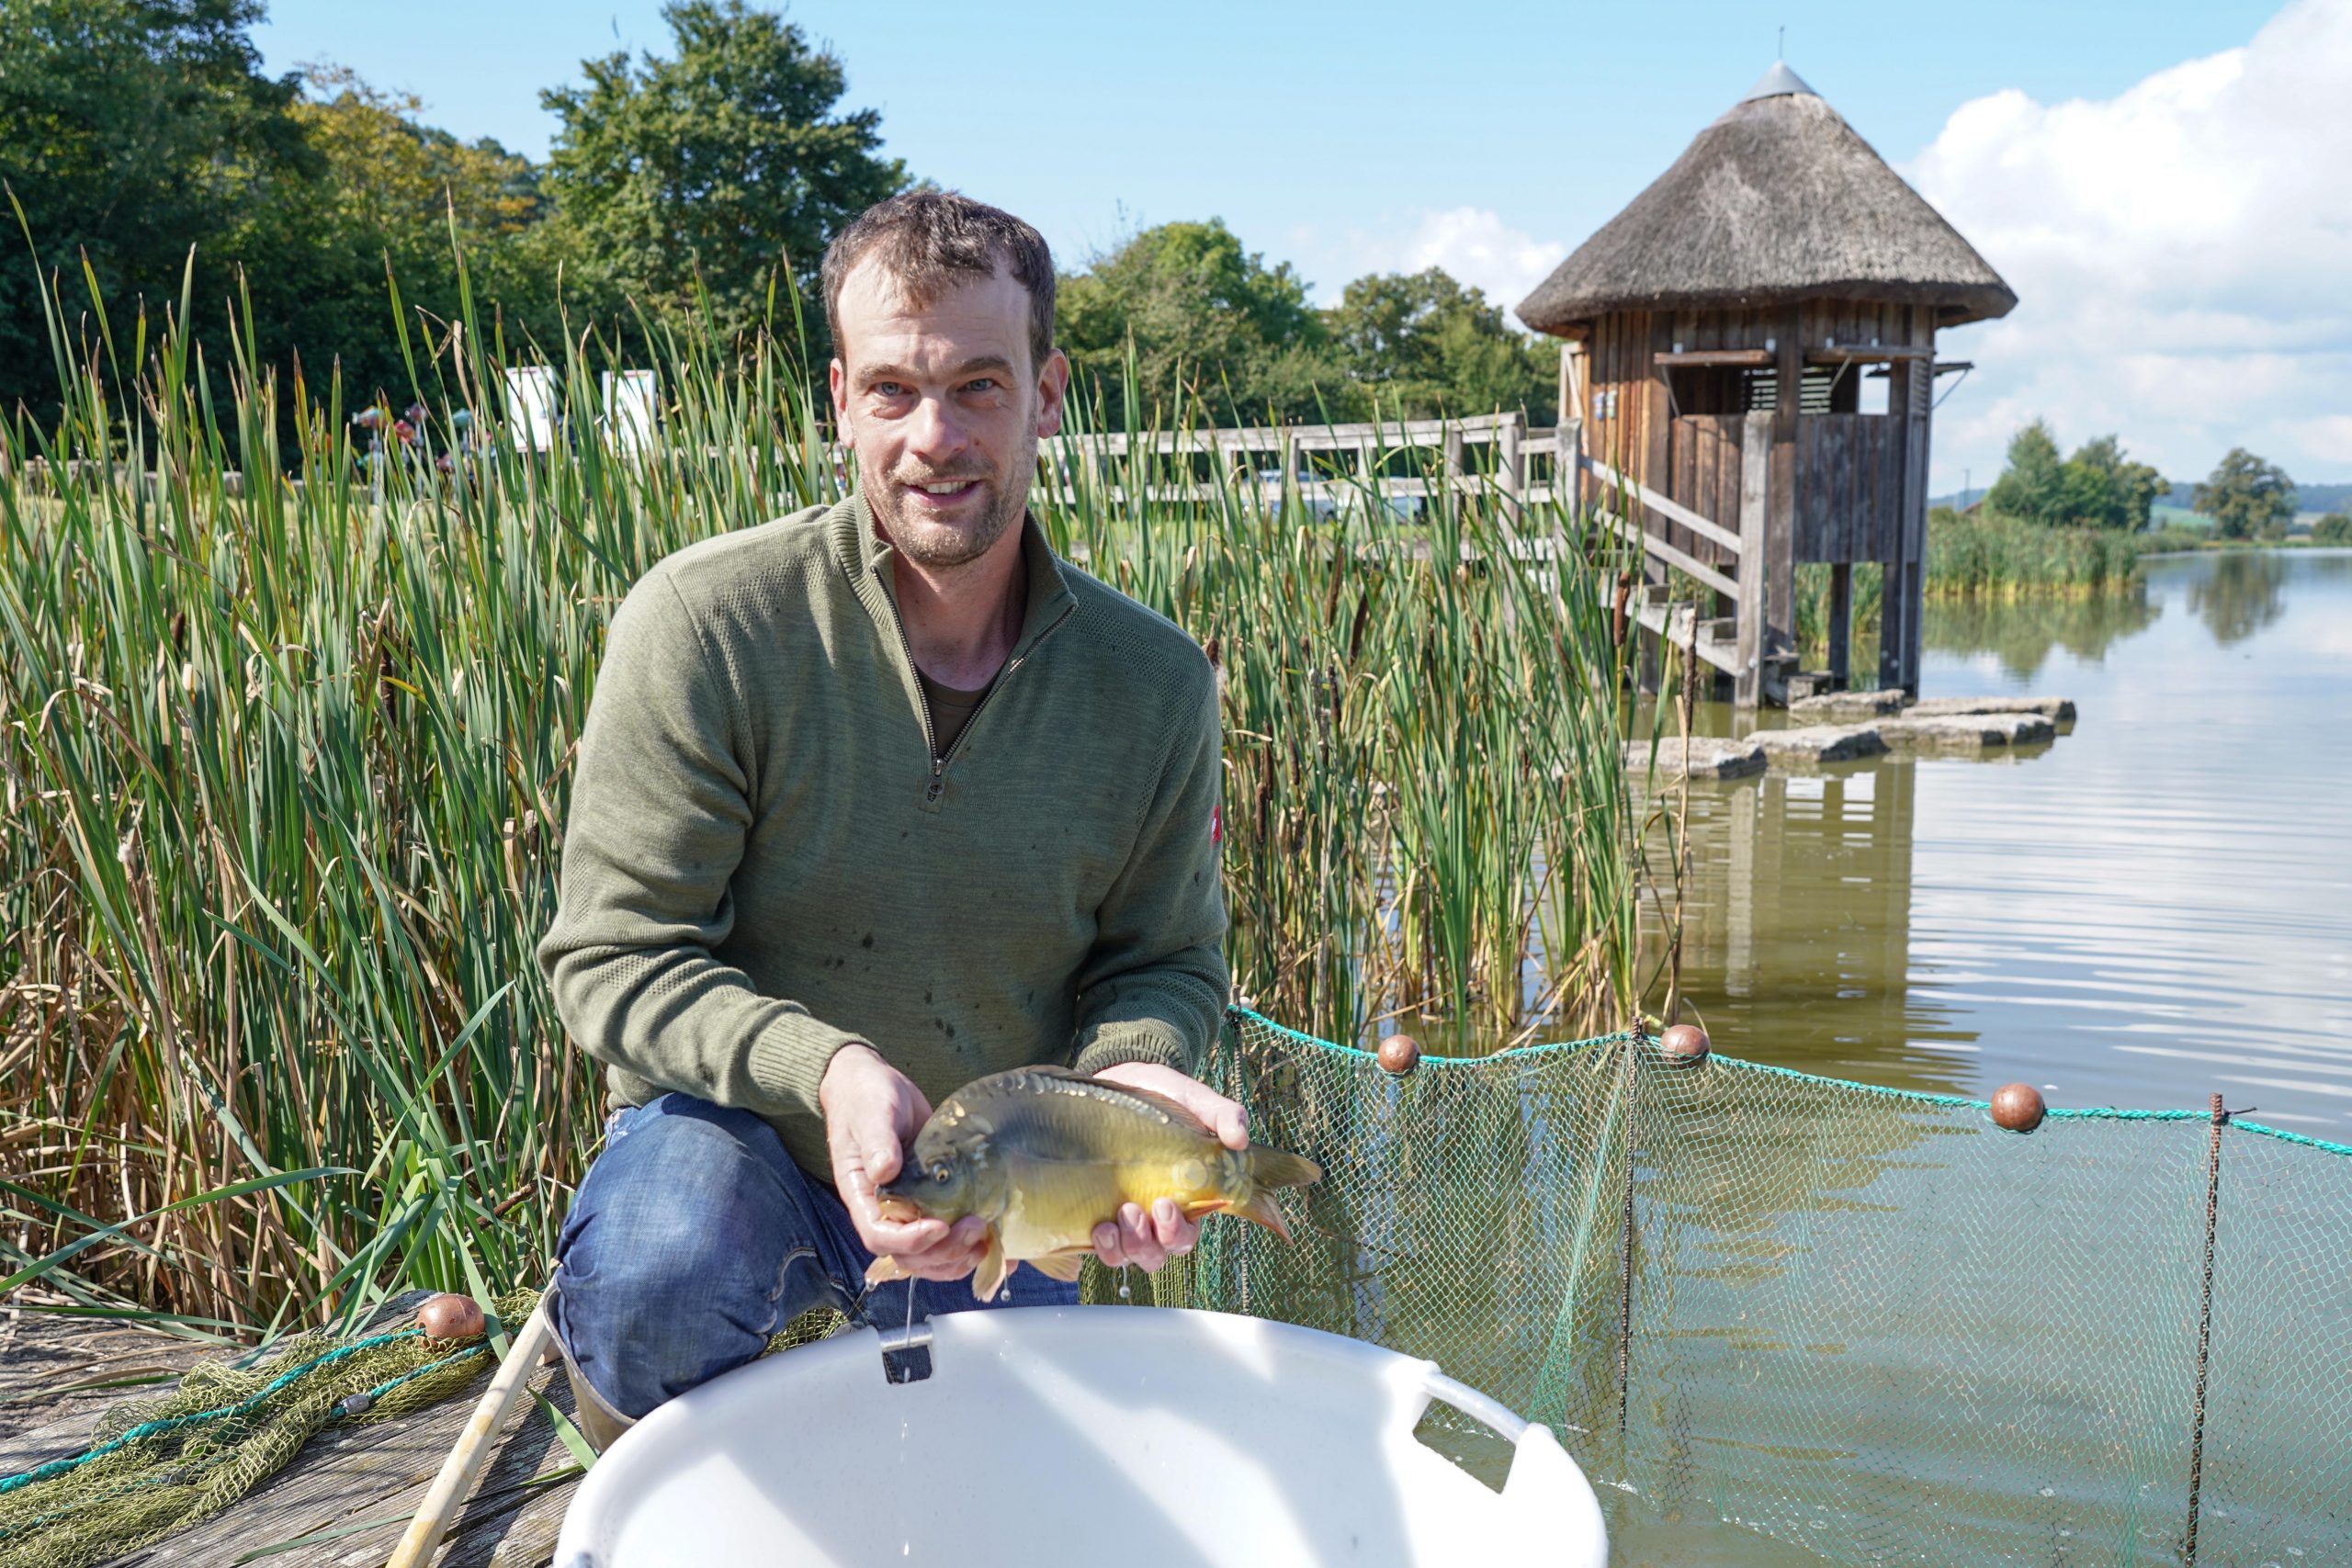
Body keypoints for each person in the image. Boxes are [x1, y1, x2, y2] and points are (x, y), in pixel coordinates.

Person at [537, 190, 1242, 1449]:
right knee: (656, 1277)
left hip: (1003, 1167)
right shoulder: (707, 623)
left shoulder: (1155, 683)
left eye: (979, 387)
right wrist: (829, 1070)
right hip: (740, 1139)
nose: (935, 438)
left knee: (1001, 1462)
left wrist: (1122, 1083)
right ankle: (634, 1461)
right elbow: (611, 955)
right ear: (840, 400)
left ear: (1048, 395)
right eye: (893, 391)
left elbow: (1168, 961)